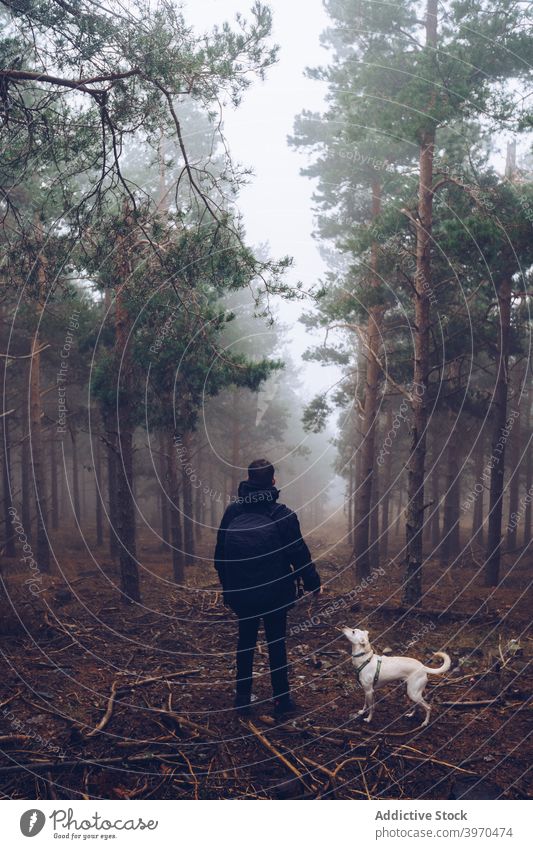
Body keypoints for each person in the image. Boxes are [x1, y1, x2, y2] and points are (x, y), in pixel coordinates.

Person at [214, 458, 321, 716]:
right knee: (276, 644)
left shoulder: (232, 512)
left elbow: (219, 556)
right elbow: (299, 554)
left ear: (248, 480)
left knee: (246, 642)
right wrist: (313, 583)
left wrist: (230, 588)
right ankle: (282, 702)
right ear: (273, 481)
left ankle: (242, 699)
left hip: (243, 595)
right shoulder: (283, 515)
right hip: (275, 595)